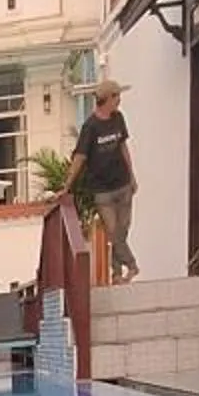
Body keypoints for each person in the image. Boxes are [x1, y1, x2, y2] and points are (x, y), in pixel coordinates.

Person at [73, 78, 138, 280]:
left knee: (122, 229)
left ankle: (116, 272)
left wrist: (132, 174)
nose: (119, 100)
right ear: (108, 99)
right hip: (102, 190)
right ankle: (132, 265)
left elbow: (122, 146)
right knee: (112, 230)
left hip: (123, 183)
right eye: (116, 96)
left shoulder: (118, 118)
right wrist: (68, 183)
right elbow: (80, 156)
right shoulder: (90, 127)